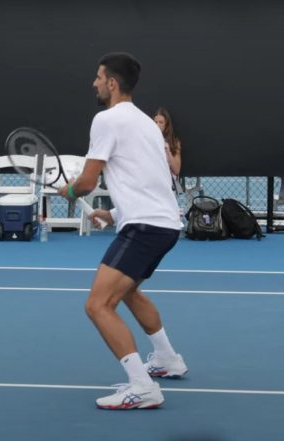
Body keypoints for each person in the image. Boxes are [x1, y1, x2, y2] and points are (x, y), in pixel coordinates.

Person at [58, 53, 188, 410]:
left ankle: (142, 386)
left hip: (146, 228)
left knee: (98, 304)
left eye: (99, 77)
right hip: (163, 224)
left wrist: (68, 190)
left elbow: (86, 182)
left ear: (112, 83)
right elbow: (152, 179)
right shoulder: (147, 123)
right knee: (129, 293)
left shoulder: (106, 120)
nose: (94, 83)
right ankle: (167, 359)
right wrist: (114, 213)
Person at [153, 107, 183, 194]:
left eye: (161, 122)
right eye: (155, 122)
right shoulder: (148, 141)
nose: (157, 125)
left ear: (166, 125)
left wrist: (168, 152)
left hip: (168, 187)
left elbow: (176, 170)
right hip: (152, 185)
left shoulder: (174, 142)